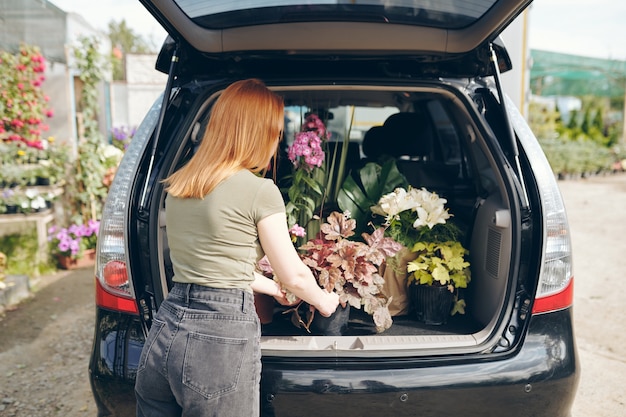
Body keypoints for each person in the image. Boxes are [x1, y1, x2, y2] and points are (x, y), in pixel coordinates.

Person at [134, 78, 339, 417]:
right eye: (275, 133)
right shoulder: (260, 191)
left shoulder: (182, 184)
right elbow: (296, 275)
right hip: (218, 340)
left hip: (166, 329)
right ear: (256, 134)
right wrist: (325, 301)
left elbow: (216, 268)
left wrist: (273, 288)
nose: (277, 143)